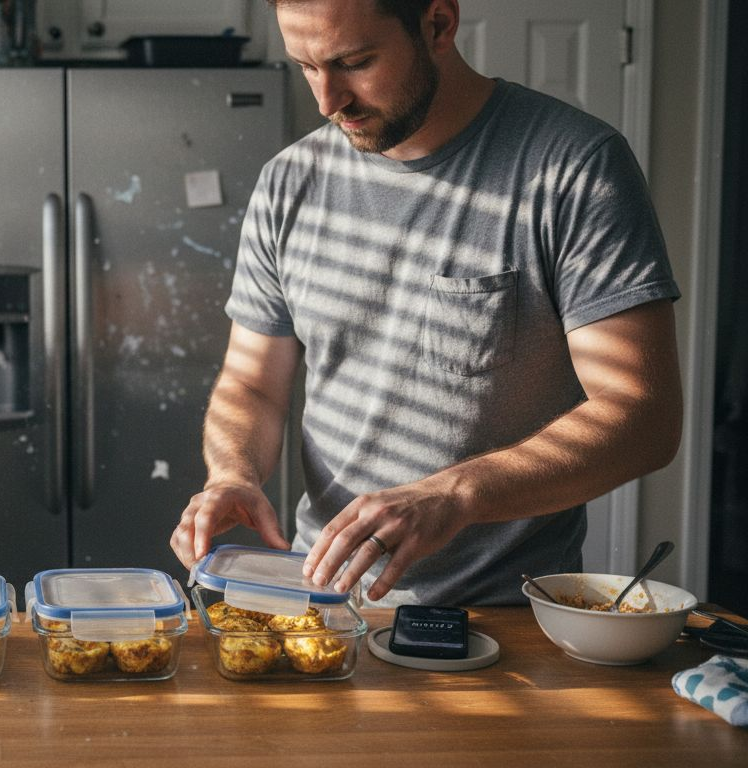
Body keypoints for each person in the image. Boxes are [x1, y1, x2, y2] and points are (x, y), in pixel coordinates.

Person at [169, 0, 683, 606]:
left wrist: (457, 495)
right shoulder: (289, 182)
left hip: (506, 619)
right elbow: (252, 384)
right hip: (322, 602)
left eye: (354, 62)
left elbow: (642, 418)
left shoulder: (573, 169)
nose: (328, 101)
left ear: (438, 25)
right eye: (307, 67)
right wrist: (233, 473)